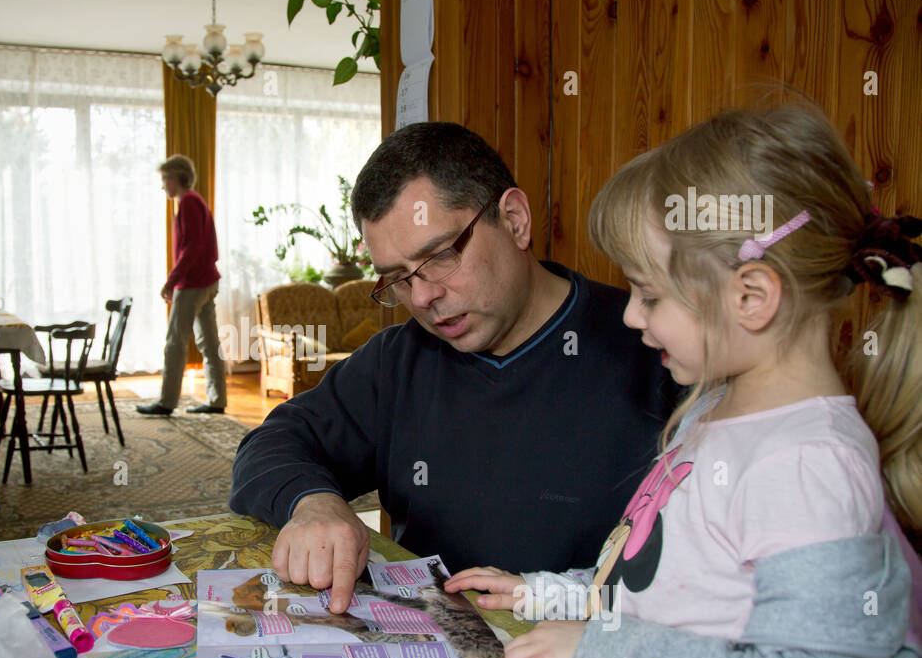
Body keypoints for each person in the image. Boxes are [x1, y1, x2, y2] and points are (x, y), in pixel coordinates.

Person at [446, 103, 922, 658]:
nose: (632, 315)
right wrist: (541, 596)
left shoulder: (806, 464)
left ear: (752, 296)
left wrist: (595, 653)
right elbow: (657, 584)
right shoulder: (715, 411)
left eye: (649, 293)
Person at [229, 122, 679, 612]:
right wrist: (312, 501)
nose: (422, 297)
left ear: (514, 219)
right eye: (397, 279)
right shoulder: (398, 360)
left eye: (440, 256)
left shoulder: (659, 348)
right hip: (428, 656)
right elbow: (271, 443)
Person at [136, 154, 227, 416]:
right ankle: (217, 400)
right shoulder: (194, 200)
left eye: (165, 179)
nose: (163, 185)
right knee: (210, 344)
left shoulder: (187, 201)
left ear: (177, 178)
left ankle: (166, 402)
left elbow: (192, 247)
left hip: (193, 283)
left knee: (175, 342)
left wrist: (171, 281)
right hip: (207, 280)